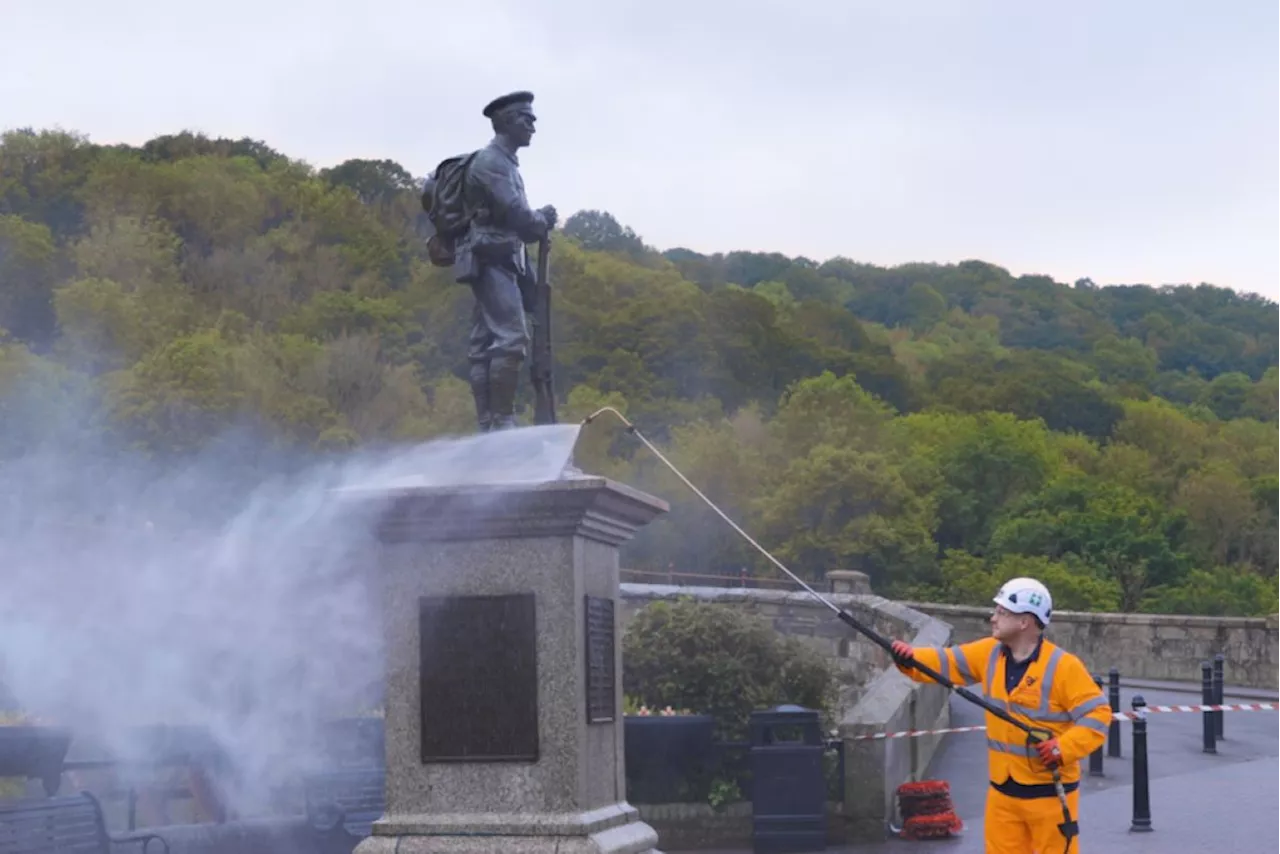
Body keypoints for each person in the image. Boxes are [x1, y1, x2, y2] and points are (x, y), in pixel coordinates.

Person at [890, 577, 1111, 853]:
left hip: (1050, 797)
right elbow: (946, 662)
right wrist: (910, 658)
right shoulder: (989, 653)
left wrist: (1063, 748)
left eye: (1002, 612)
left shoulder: (1063, 667)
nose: (992, 618)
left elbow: (1098, 714)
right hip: (1003, 795)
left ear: (1024, 622)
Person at [453, 90, 557, 431]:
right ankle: (501, 420)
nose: (533, 127)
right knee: (510, 339)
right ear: (508, 121)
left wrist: (534, 223)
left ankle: (491, 422)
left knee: (485, 344)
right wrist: (541, 219)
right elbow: (518, 217)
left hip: (498, 257)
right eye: (527, 119)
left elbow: (516, 220)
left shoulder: (506, 162)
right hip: (492, 257)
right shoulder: (492, 162)